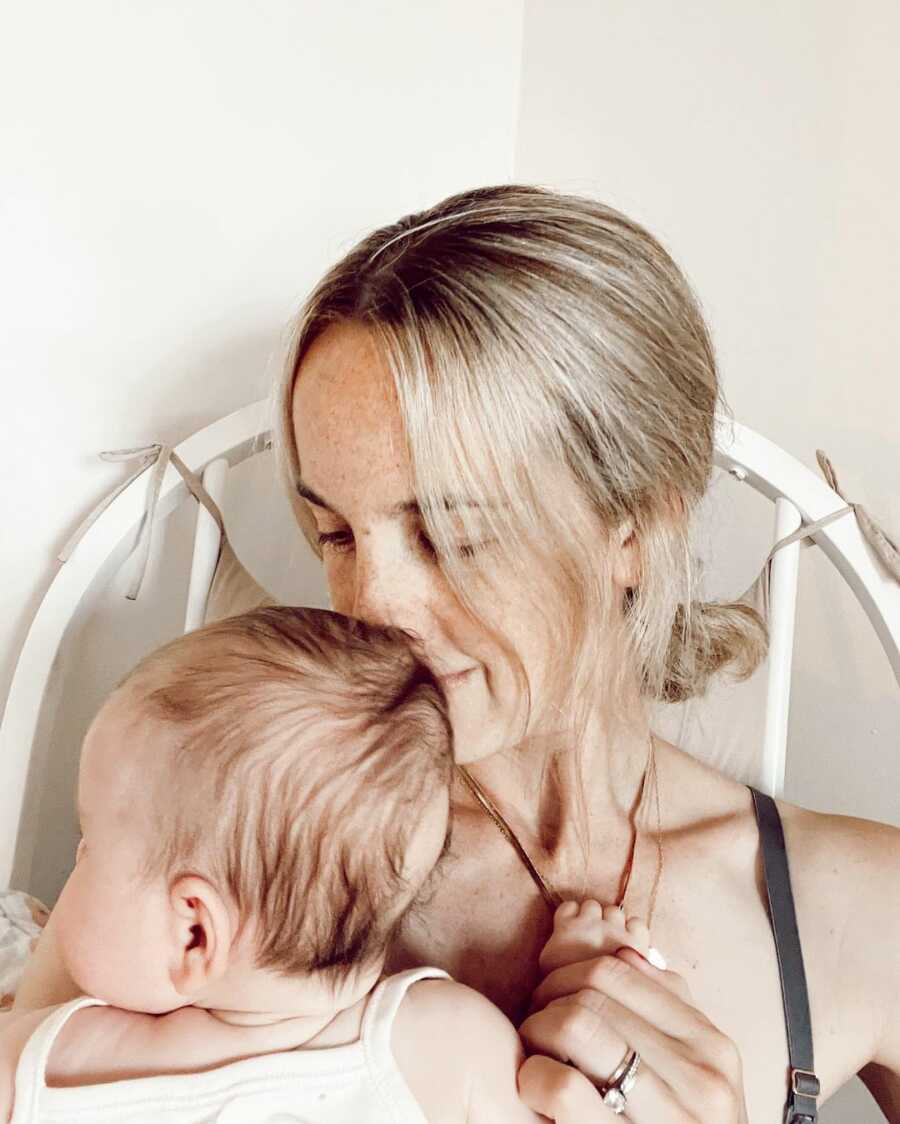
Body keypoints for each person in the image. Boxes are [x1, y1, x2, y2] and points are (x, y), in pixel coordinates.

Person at [16, 184, 900, 1121]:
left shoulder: (859, 909)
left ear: (635, 527)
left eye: (450, 530)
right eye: (336, 533)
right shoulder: (229, 850)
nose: (369, 606)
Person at [3, 606, 555, 1122]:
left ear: (195, 933)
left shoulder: (56, 1065)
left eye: (89, 842)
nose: (76, 859)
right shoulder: (449, 1043)